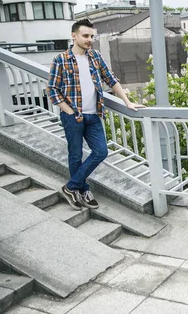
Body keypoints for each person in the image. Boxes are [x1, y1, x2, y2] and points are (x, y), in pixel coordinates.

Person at [48, 19, 145, 210]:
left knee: (101, 151)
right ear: (74, 36)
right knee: (75, 156)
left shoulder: (95, 57)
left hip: (93, 116)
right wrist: (69, 111)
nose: (89, 39)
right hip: (72, 116)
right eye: (85, 36)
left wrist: (127, 101)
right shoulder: (61, 59)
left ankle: (71, 187)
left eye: (92, 36)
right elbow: (52, 90)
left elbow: (111, 79)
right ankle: (82, 191)